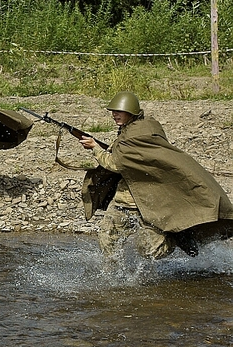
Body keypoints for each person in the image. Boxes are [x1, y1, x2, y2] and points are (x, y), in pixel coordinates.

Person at [78, 91, 233, 259]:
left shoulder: (139, 133)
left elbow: (116, 164)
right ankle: (112, 277)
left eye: (119, 111)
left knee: (149, 250)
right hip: (124, 199)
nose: (114, 115)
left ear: (131, 112)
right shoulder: (129, 131)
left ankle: (175, 238)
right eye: (112, 111)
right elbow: (128, 158)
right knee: (107, 238)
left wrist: (95, 148)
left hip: (148, 201)